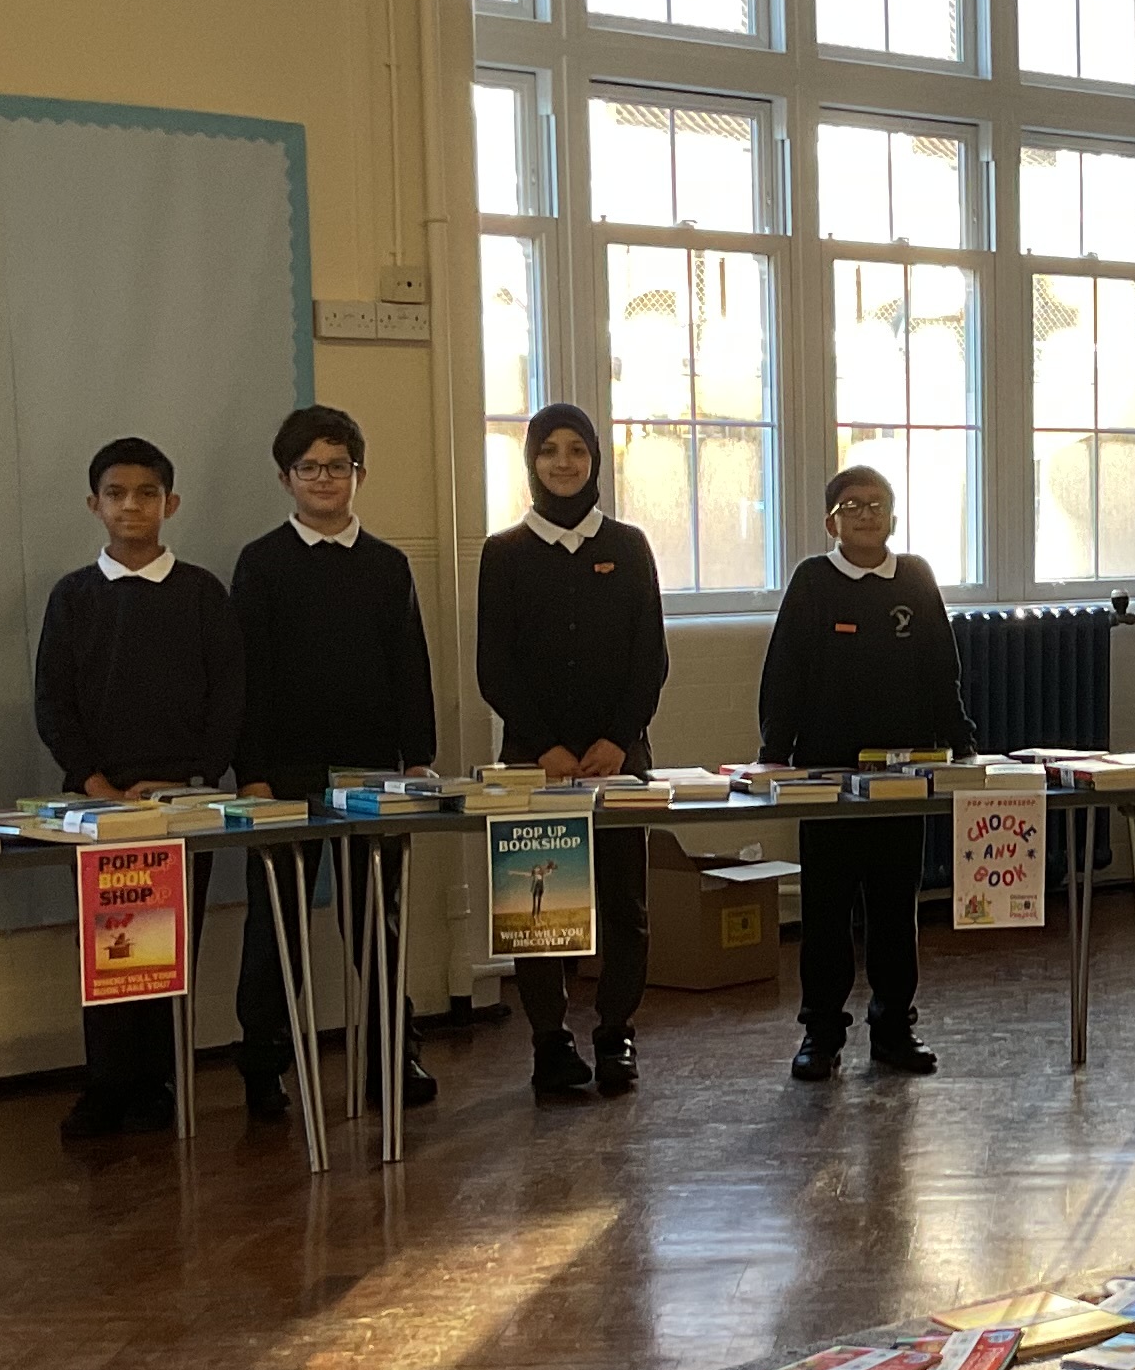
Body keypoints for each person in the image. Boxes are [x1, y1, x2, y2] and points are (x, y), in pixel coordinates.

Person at [229, 404, 440, 1126]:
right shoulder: (261, 564)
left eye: (338, 466)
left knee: (376, 921)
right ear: (286, 477)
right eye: (309, 467)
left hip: (373, 775)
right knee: (275, 926)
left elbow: (410, 667)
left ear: (359, 473)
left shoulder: (387, 565)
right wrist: (250, 772)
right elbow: (246, 679)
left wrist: (418, 759)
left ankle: (394, 1053)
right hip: (282, 777)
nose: (325, 479)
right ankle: (263, 1065)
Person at [33, 436, 244, 1140]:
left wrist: (191, 780)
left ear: (170, 504)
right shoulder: (73, 597)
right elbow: (53, 703)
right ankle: (106, 1086)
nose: (131, 506)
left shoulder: (203, 594)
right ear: (94, 505)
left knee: (169, 948)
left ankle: (160, 1083)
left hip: (183, 805)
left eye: (146, 493)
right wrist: (97, 783)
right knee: (110, 948)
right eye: (116, 494)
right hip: (99, 808)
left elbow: (228, 697)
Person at [474, 403, 670, 1097]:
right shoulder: (504, 552)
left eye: (577, 450)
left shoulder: (630, 546)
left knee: (624, 906)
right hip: (536, 764)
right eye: (549, 450)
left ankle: (616, 1033)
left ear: (594, 461)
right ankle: (550, 1043)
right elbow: (494, 667)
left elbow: (650, 658)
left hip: (620, 760)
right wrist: (545, 747)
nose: (564, 462)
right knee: (539, 910)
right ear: (532, 462)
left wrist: (617, 739)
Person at [755, 464, 967, 1081]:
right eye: (852, 506)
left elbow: (942, 669)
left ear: (893, 517)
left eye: (876, 504)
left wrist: (962, 745)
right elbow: (784, 671)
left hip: (905, 775)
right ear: (832, 522)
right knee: (826, 910)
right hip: (827, 776)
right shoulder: (813, 580)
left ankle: (894, 1027)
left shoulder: (916, 577)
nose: (866, 514)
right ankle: (820, 1033)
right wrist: (775, 751)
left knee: (896, 908)